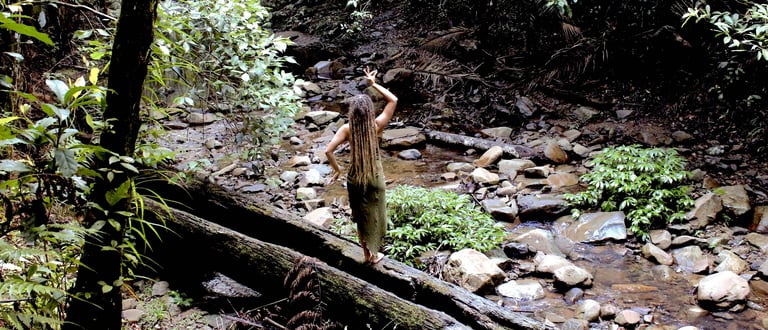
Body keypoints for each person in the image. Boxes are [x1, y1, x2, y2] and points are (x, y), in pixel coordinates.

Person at [325, 66, 398, 264]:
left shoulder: (346, 129)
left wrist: (337, 170)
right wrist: (374, 85)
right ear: (368, 111)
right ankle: (375, 253)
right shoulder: (376, 126)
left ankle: (367, 255)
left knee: (360, 217)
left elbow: (328, 151)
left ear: (352, 113)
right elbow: (393, 100)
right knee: (375, 214)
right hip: (374, 177)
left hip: (355, 178)